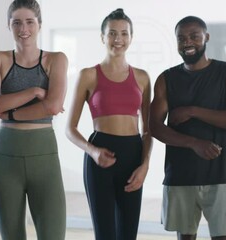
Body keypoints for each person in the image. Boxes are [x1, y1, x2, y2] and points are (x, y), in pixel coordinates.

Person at [150, 16, 226, 240]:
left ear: (206, 37)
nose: (187, 42)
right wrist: (193, 143)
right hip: (180, 175)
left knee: (222, 238)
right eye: (181, 38)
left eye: (194, 36)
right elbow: (155, 127)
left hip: (220, 174)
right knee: (185, 237)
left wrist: (192, 111)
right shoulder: (166, 79)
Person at [65, 8, 152, 240]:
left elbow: (148, 130)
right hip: (99, 157)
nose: (118, 40)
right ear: (102, 37)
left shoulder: (143, 77)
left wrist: (145, 166)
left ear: (131, 38)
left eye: (124, 34)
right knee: (105, 234)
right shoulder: (88, 75)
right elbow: (69, 129)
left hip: (133, 156)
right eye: (112, 33)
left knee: (128, 234)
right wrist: (92, 151)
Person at [0, 0, 68, 239]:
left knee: (53, 235)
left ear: (39, 24)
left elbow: (52, 106)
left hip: (44, 158)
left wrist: (9, 113)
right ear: (9, 26)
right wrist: (33, 92)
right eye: (17, 23)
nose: (24, 29)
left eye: (30, 22)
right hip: (5, 159)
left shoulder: (56, 59)